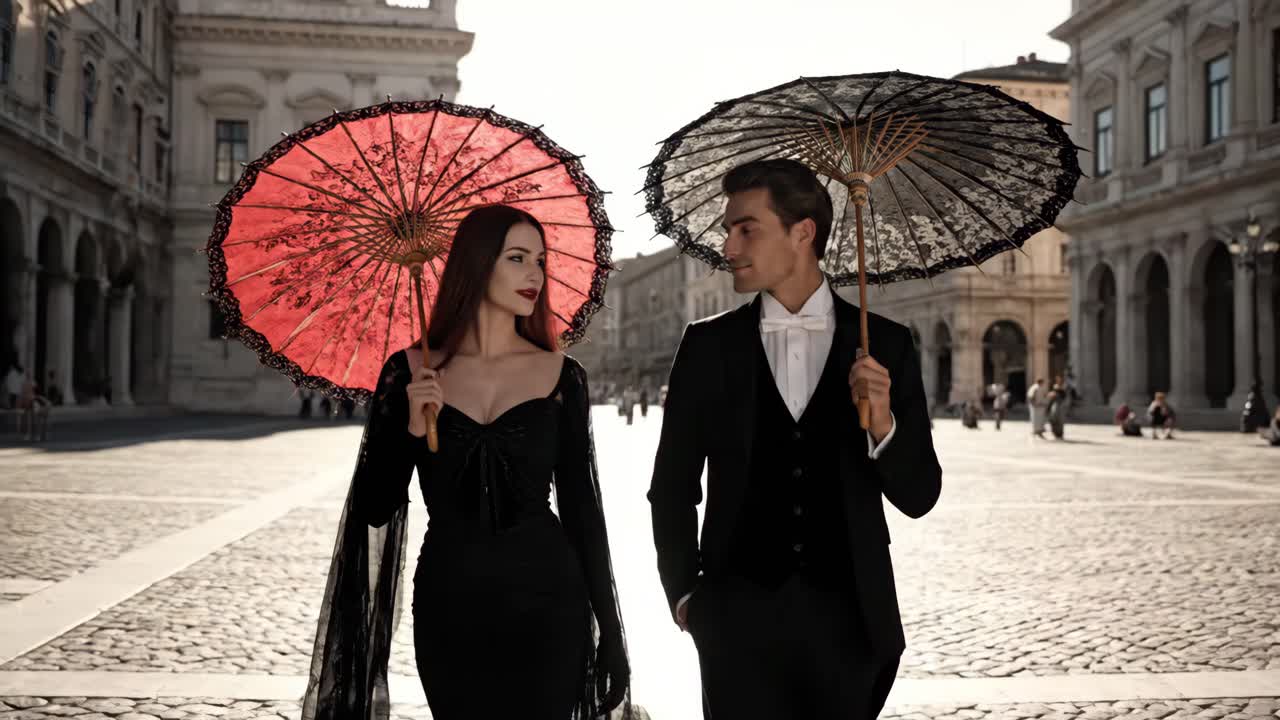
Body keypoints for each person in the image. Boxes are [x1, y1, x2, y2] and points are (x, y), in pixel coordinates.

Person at [302, 205, 631, 720]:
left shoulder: (562, 375)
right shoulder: (409, 371)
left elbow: (583, 512)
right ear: (477, 264)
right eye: (517, 258)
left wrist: (610, 632)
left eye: (540, 261)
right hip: (450, 603)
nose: (535, 275)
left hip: (549, 601)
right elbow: (372, 506)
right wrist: (411, 429)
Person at [648, 159, 941, 719]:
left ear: (802, 232)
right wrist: (688, 596)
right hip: (736, 625)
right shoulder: (708, 346)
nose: (728, 245)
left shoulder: (886, 345)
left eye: (746, 228)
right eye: (728, 229)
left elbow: (921, 495)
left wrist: (883, 425)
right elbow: (672, 485)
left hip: (853, 625)